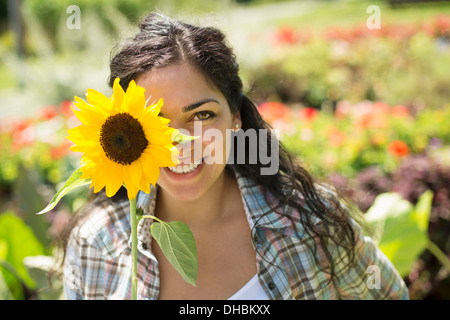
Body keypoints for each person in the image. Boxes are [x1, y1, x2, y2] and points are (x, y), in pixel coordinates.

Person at [62, 12, 409, 300]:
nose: (179, 143)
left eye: (202, 116)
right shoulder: (99, 242)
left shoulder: (307, 221)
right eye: (154, 122)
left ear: (236, 120)